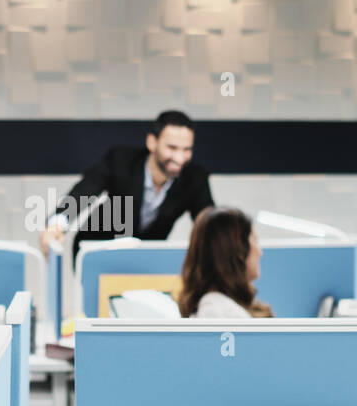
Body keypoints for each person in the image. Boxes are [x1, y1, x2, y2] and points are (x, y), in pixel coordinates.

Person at [37, 110, 214, 262]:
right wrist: (57, 224)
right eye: (172, 148)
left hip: (144, 256)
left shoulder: (195, 178)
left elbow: (208, 219)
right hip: (100, 249)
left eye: (186, 149)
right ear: (152, 142)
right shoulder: (120, 161)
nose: (180, 158)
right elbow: (84, 191)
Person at [178, 207, 273, 318]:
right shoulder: (217, 311)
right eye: (254, 240)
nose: (259, 252)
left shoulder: (223, 306)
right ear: (237, 251)